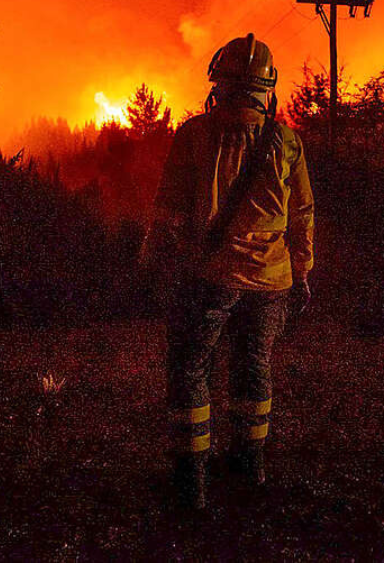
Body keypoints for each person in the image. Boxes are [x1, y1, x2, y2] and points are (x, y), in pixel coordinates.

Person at [140, 33, 315, 510]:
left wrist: (153, 259)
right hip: (271, 281)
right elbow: (302, 216)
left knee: (191, 369)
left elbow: (169, 210)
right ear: (267, 88)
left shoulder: (194, 135)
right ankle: (249, 466)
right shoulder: (288, 143)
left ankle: (191, 481)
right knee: (253, 369)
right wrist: (301, 272)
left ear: (218, 82)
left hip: (208, 277)